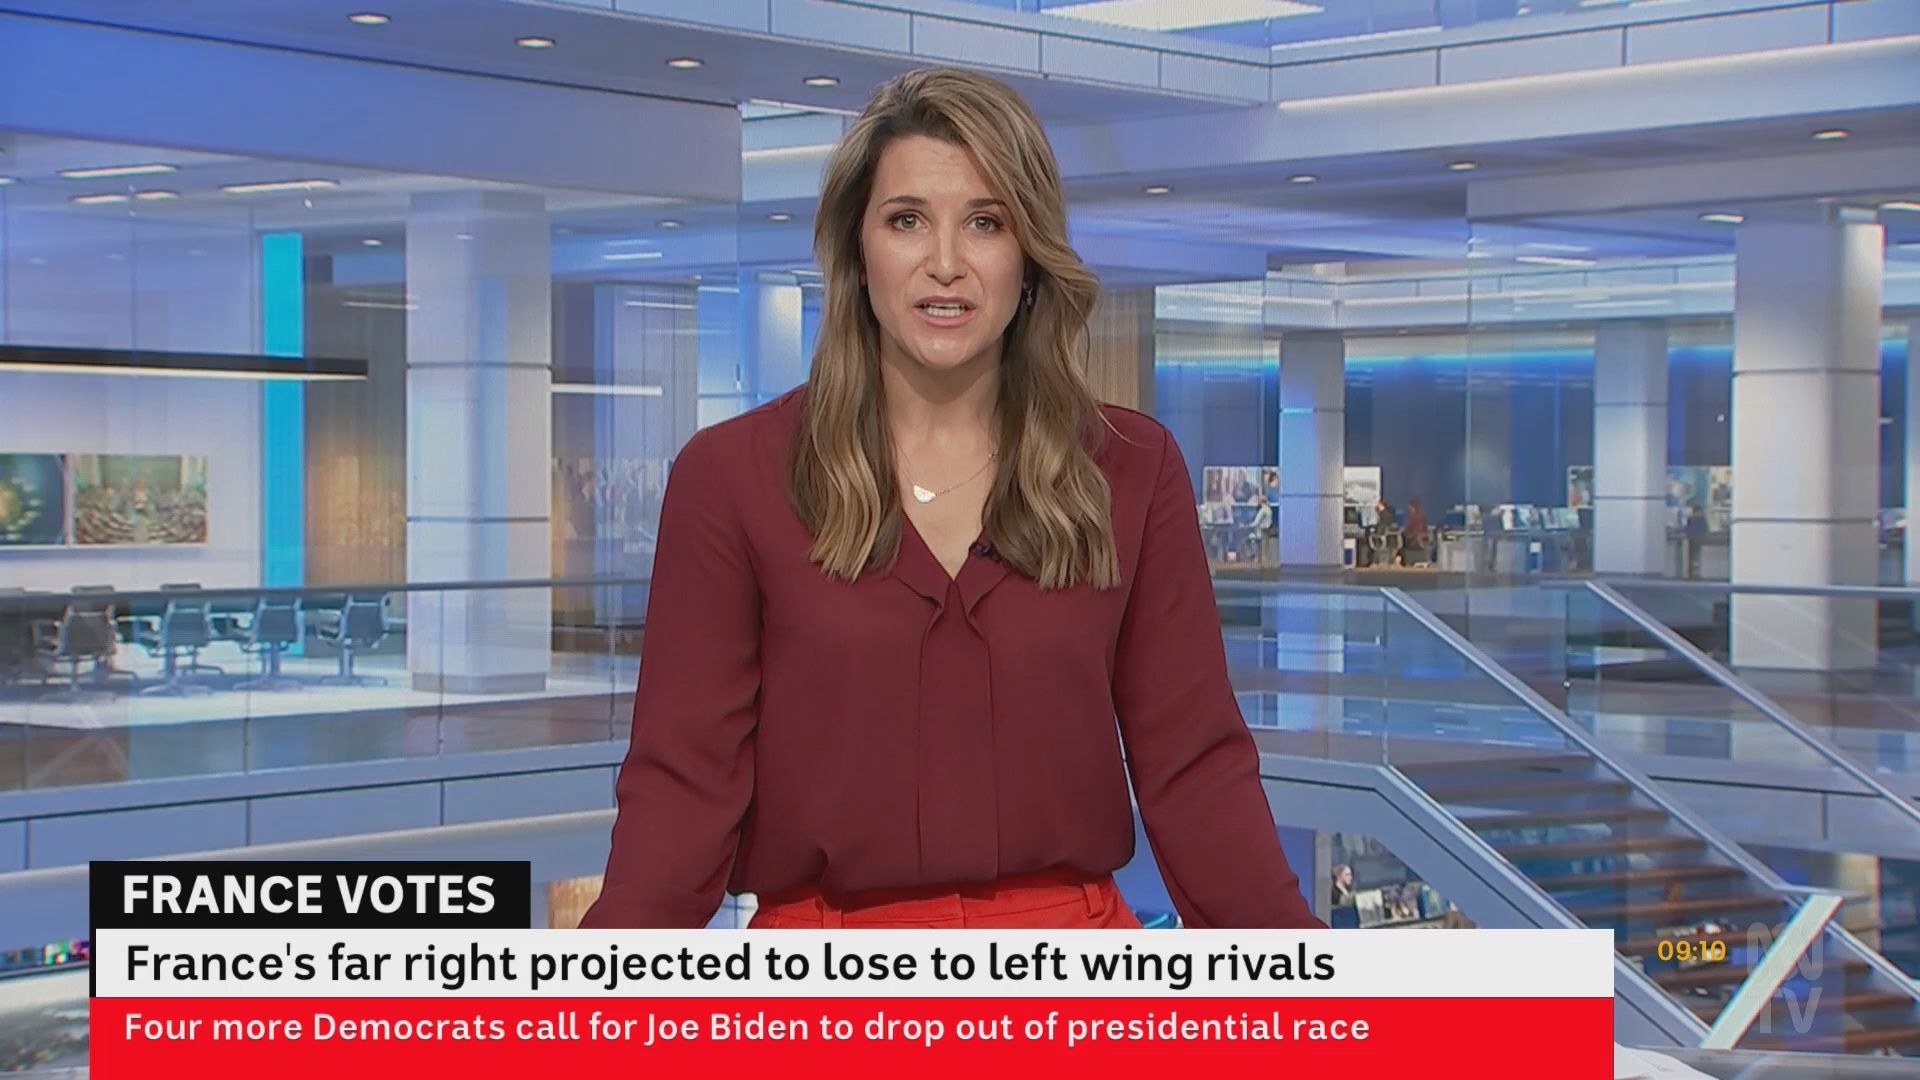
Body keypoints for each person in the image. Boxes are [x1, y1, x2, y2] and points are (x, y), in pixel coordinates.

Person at [580, 68, 1322, 932]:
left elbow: (1196, 771)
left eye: (985, 222)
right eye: (906, 220)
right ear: (858, 250)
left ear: (1028, 255)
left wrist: (1324, 987)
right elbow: (682, 790)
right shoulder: (731, 478)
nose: (944, 263)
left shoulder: (1130, 470)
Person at [1400, 497, 1429, 567]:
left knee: (1400, 542)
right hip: (1422, 541)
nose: (1409, 509)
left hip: (1414, 540)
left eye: (1409, 507)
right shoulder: (1423, 516)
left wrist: (1403, 532)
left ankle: (1402, 563)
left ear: (1413, 507)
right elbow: (1425, 529)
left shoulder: (1413, 517)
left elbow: (1407, 529)